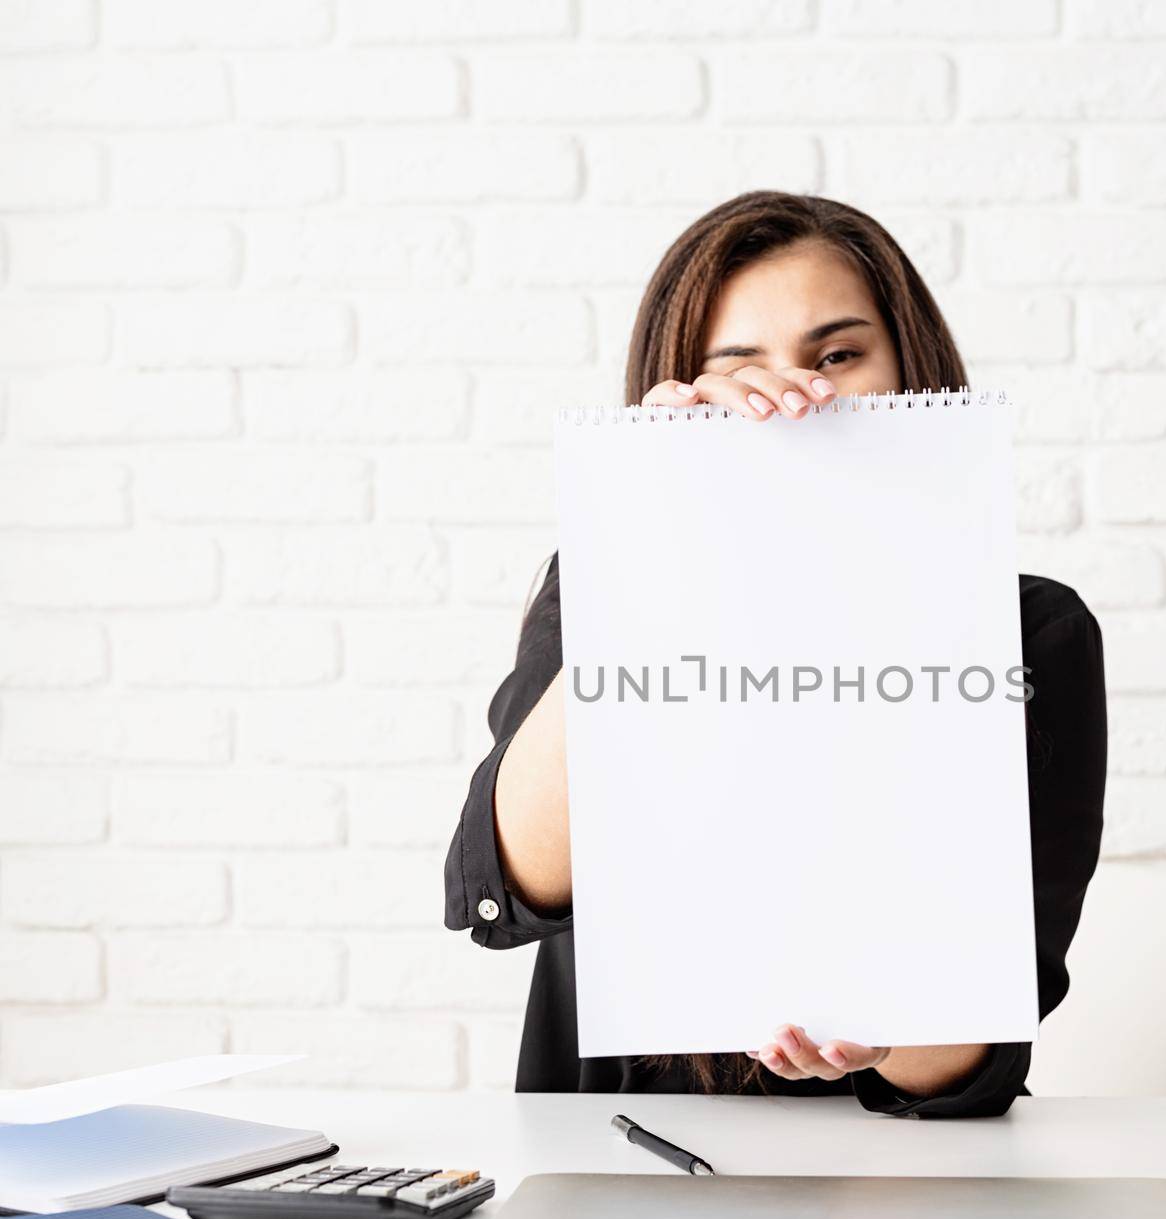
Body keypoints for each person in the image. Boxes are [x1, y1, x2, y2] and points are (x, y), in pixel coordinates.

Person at [444, 191, 1106, 1118]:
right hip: (616, 1163)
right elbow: (518, 879)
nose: (797, 397)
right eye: (740, 367)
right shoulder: (611, 578)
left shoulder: (1032, 632)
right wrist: (654, 535)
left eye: (838, 355)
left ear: (910, 370)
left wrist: (887, 1038)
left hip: (898, 1189)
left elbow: (981, 1049)